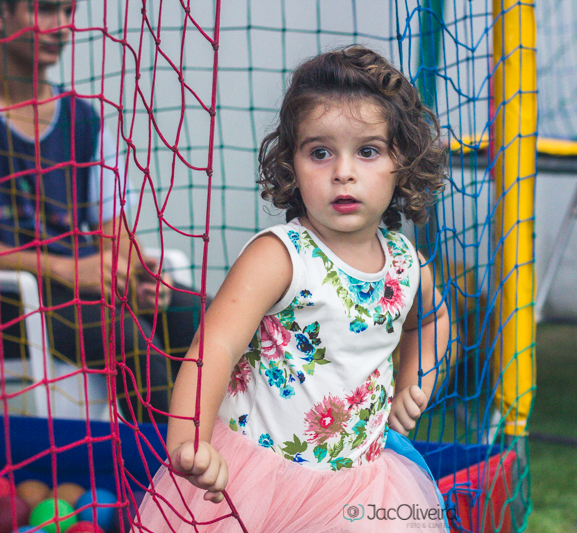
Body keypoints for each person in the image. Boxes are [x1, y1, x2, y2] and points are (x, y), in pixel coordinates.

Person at [136, 45, 450, 532]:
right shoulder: (280, 256)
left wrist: (415, 380)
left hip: (361, 488)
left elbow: (431, 319)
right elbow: (213, 346)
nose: (342, 171)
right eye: (320, 152)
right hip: (258, 480)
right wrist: (188, 440)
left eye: (367, 151)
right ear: (291, 164)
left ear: (403, 162)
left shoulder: (408, 264)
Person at [0, 0, 204, 424]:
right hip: (14, 304)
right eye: (45, 10)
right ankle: (165, 473)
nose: (61, 27)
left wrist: (139, 276)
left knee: (201, 316)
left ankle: (227, 455)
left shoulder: (83, 118)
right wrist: (60, 268)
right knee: (126, 337)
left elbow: (116, 234)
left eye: (68, 12)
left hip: (85, 292)